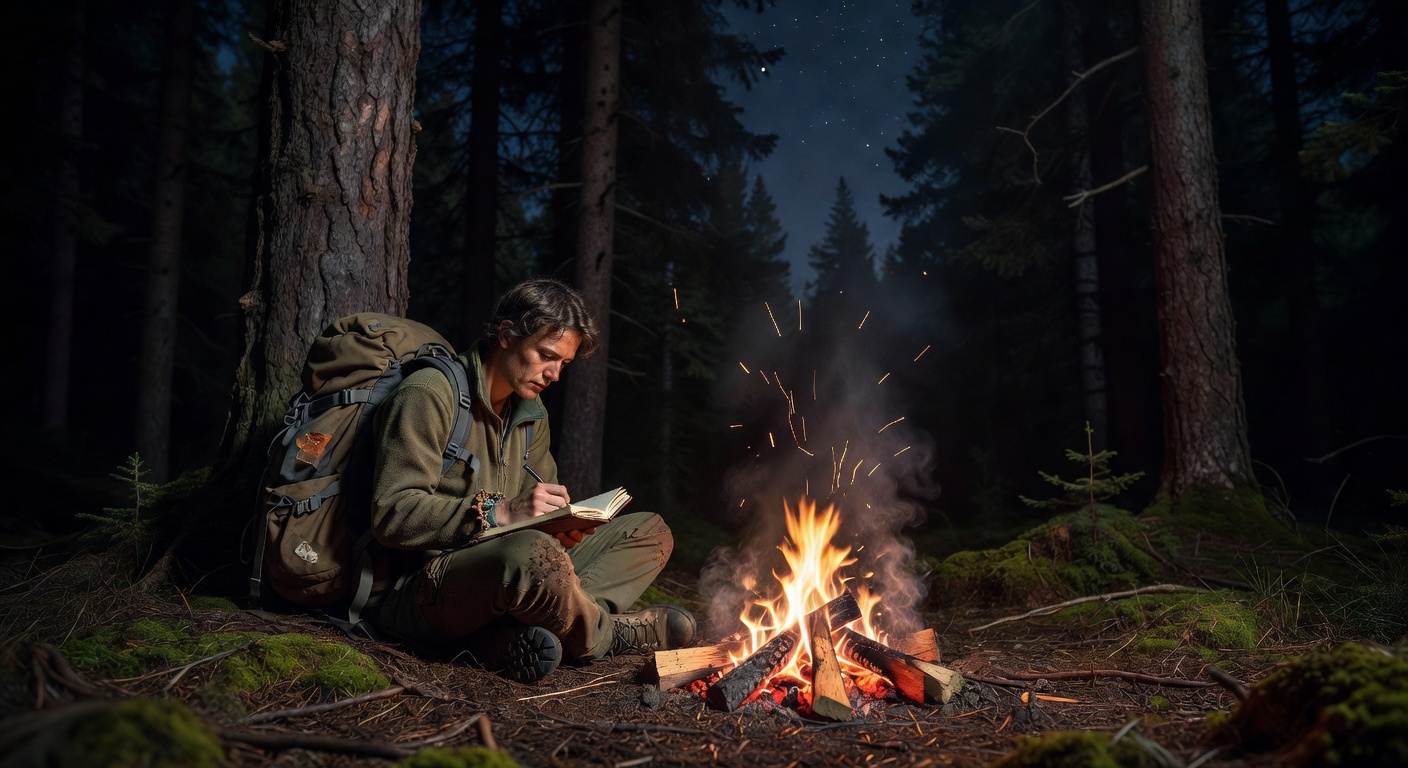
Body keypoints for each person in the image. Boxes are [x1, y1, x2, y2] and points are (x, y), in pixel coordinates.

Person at [364, 277, 695, 681]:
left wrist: (563, 527)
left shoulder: (530, 413)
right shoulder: (430, 394)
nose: (554, 374)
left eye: (564, 364)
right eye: (546, 355)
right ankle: (605, 636)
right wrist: (500, 513)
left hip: (512, 568)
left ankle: (524, 631)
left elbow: (537, 526)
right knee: (531, 555)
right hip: (421, 588)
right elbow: (391, 515)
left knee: (650, 531)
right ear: (506, 335)